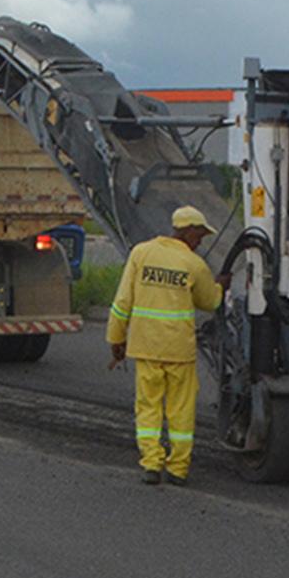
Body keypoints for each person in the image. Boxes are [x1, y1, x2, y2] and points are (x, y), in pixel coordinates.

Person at [106, 205, 229, 485]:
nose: (200, 242)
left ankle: (151, 464)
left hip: (146, 347)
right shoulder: (194, 264)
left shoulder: (141, 253)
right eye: (199, 236)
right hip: (178, 351)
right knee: (181, 411)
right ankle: (178, 470)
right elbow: (209, 302)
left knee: (148, 407)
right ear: (187, 231)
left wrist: (116, 338)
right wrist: (220, 286)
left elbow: (123, 302)